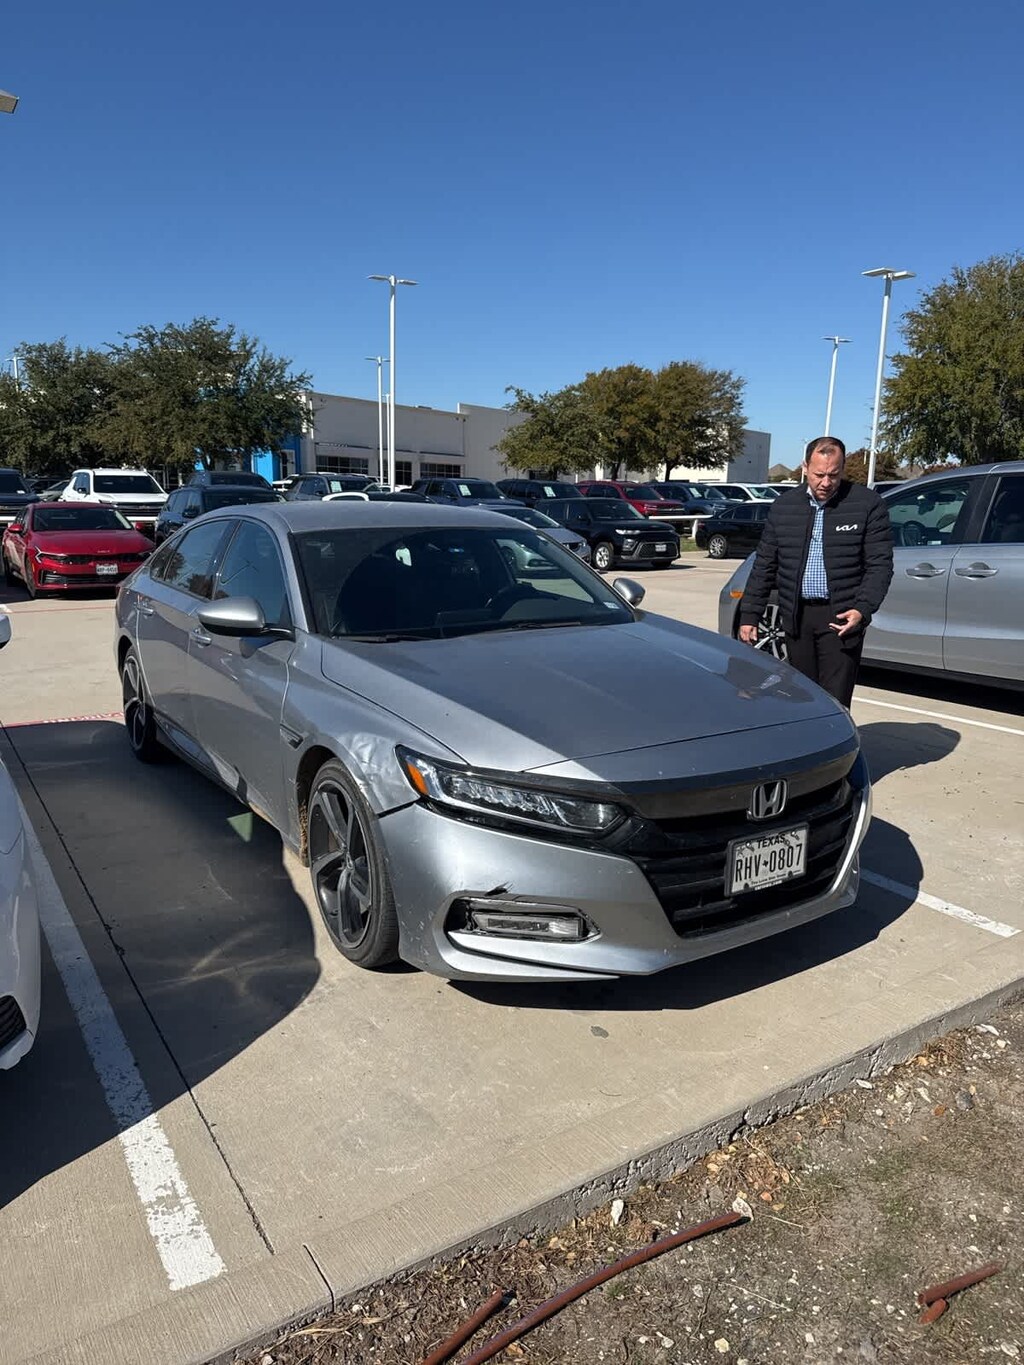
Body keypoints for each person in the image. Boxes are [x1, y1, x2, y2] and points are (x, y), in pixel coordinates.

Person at [738, 436, 893, 708]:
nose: (825, 483)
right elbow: (765, 564)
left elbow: (879, 564)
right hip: (797, 617)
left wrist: (862, 609)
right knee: (801, 694)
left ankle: (838, 749)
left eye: (834, 475)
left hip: (841, 619)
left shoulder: (867, 504)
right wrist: (750, 614)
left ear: (842, 469)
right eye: (819, 474)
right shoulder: (784, 507)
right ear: (805, 467)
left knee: (835, 699)